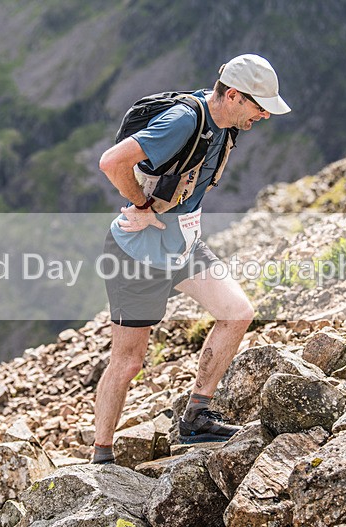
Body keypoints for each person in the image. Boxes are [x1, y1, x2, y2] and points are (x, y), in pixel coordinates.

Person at [92, 54, 291, 464]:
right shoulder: (185, 120)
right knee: (128, 363)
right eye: (259, 106)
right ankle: (102, 455)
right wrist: (142, 204)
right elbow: (111, 162)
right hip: (137, 256)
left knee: (237, 312)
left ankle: (196, 417)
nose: (264, 116)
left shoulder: (226, 126)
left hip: (183, 246)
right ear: (233, 95)